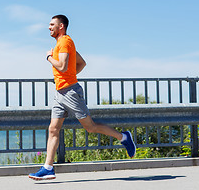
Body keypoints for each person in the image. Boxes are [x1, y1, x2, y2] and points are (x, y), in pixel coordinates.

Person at [28, 14, 136, 181]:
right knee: (53, 129)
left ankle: (124, 137)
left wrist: (49, 57)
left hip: (70, 92)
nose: (49, 27)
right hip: (60, 93)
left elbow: (63, 67)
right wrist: (67, 75)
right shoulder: (61, 44)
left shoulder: (65, 41)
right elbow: (81, 63)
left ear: (61, 26)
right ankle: (48, 168)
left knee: (90, 127)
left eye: (52, 24)